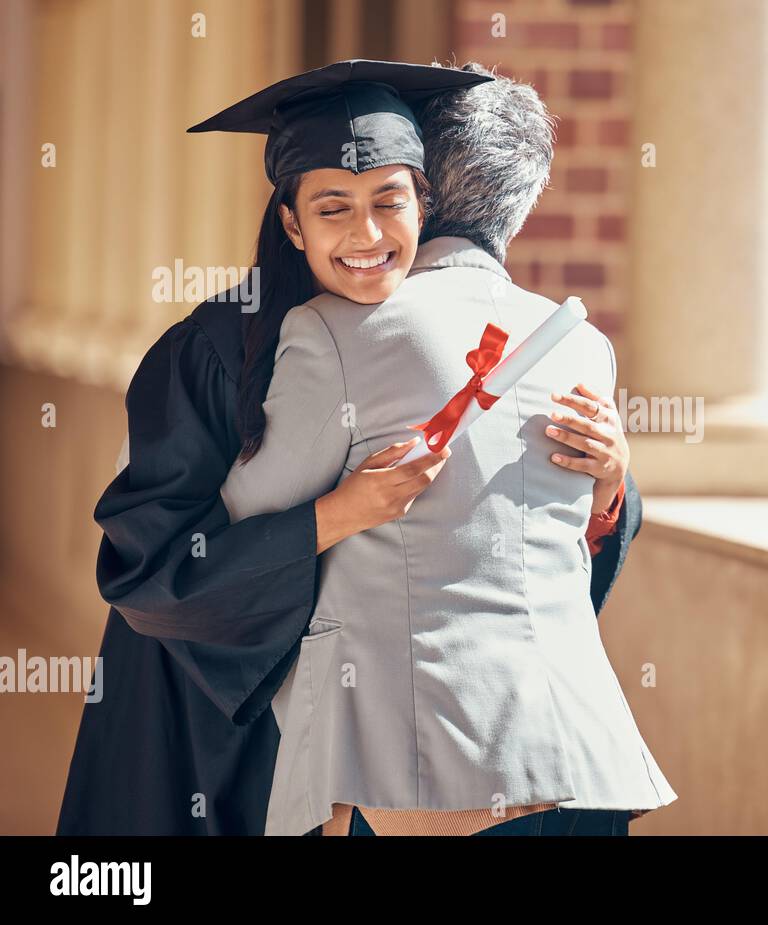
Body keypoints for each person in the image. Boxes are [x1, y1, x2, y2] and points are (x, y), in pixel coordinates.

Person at [55, 60, 645, 836]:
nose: (367, 236)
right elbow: (154, 570)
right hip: (217, 719)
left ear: (423, 203)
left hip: (374, 742)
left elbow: (519, 541)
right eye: (334, 207)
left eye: (390, 201)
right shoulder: (213, 351)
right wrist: (335, 515)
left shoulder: (437, 334)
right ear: (293, 221)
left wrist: (612, 483)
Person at [214, 61, 677, 837]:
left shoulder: (335, 329)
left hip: (425, 779)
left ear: (422, 191)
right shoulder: (582, 345)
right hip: (586, 763)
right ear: (523, 203)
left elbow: (244, 528)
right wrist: (611, 490)